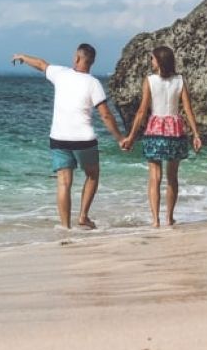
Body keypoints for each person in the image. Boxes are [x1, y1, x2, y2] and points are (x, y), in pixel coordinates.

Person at [12, 44, 125, 230]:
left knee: (64, 183)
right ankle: (83, 216)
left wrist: (22, 56)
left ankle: (65, 226)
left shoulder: (60, 73)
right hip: (84, 140)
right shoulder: (93, 83)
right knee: (93, 175)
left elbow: (40, 64)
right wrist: (120, 138)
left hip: (58, 138)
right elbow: (105, 114)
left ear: (76, 58)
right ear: (93, 62)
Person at [120, 46, 202, 227]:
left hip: (155, 130)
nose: (151, 62)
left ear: (159, 61)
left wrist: (131, 136)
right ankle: (169, 218)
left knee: (154, 177)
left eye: (152, 59)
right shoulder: (180, 80)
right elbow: (188, 109)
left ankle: (155, 220)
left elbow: (142, 111)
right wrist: (196, 134)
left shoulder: (149, 80)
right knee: (172, 177)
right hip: (175, 130)